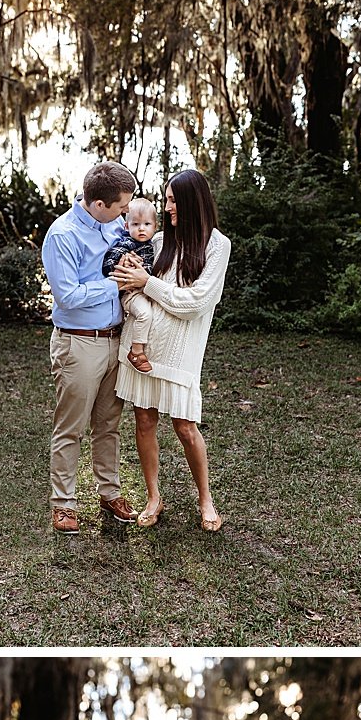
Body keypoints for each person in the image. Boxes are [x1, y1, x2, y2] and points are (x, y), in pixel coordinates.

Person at [112, 169, 232, 532]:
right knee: (144, 421)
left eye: (173, 200)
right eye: (165, 200)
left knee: (185, 427)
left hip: (181, 354)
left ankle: (205, 499)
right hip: (143, 350)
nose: (166, 207)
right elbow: (126, 271)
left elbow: (196, 302)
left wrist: (147, 283)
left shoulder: (217, 246)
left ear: (193, 202)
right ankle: (153, 497)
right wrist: (128, 268)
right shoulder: (159, 241)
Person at [40, 159, 139, 534]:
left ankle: (109, 492)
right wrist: (115, 283)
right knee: (71, 427)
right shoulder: (62, 236)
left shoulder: (115, 225)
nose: (126, 212)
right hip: (78, 345)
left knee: (109, 424)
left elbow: (135, 247)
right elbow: (67, 296)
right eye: (121, 206)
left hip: (117, 340)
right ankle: (64, 504)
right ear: (99, 204)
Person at [101, 197, 162, 376]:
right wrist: (123, 265)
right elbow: (108, 265)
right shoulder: (127, 244)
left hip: (142, 291)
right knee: (145, 314)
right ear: (127, 226)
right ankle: (136, 353)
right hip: (130, 294)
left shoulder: (151, 246)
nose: (141, 228)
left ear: (155, 226)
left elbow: (150, 272)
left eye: (146, 224)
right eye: (135, 224)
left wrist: (144, 272)